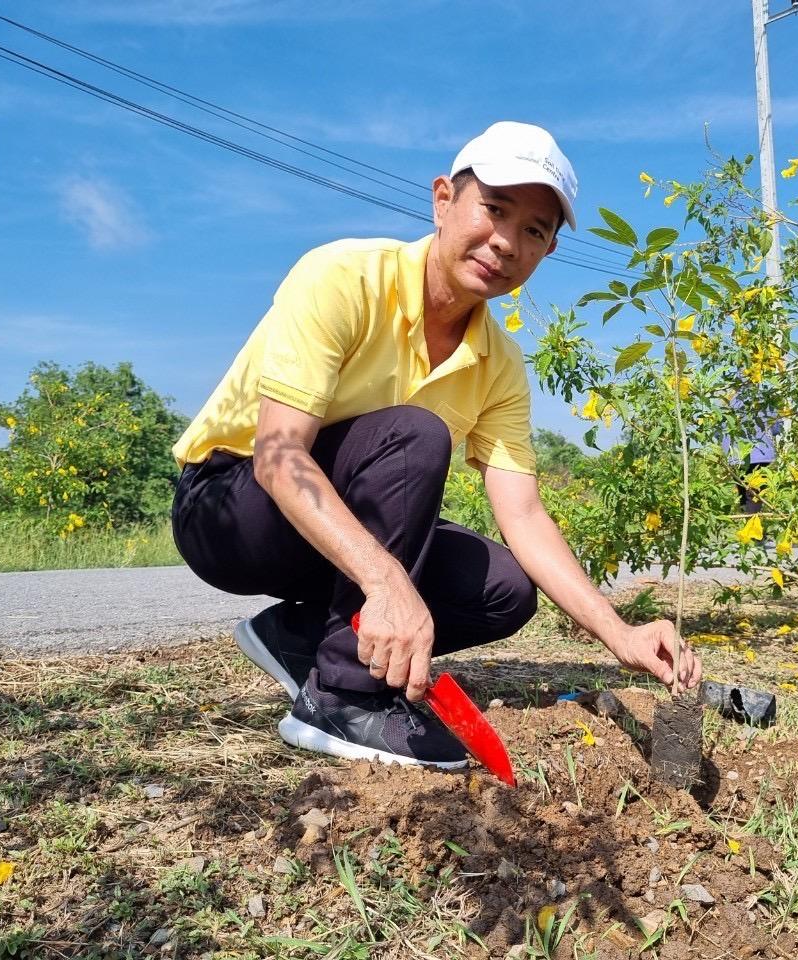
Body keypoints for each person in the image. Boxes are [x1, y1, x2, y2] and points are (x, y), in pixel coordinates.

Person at [171, 121, 703, 771]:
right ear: (443, 199)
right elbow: (279, 457)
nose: (506, 241)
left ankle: (299, 636)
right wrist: (386, 578)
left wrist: (618, 632)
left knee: (505, 587)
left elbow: (525, 515)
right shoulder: (342, 277)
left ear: (547, 251)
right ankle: (342, 696)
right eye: (495, 209)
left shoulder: (499, 365)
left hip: (330, 533)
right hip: (229, 506)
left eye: (534, 230)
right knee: (412, 436)